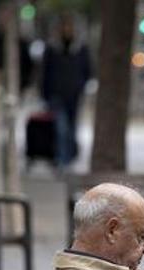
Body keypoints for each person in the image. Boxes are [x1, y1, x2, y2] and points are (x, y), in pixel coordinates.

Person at [41, 18, 91, 169]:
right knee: (61, 128)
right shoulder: (52, 49)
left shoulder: (81, 49)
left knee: (73, 128)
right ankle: (63, 159)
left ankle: (70, 157)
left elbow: (88, 71)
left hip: (74, 95)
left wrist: (81, 87)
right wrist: (45, 94)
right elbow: (45, 73)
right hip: (56, 95)